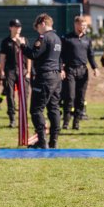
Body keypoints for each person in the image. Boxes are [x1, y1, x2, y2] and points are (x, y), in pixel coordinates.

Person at [17, 13, 63, 149]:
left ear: (42, 23)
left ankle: (42, 141)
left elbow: (34, 54)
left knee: (36, 110)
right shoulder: (57, 38)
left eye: (37, 27)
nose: (37, 31)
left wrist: (23, 46)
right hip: (56, 76)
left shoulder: (44, 37)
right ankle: (53, 141)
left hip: (44, 77)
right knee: (54, 108)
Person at [61, 16, 99, 130]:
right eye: (82, 25)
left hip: (83, 71)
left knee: (80, 98)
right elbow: (61, 55)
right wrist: (61, 69)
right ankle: (66, 122)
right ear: (76, 25)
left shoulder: (87, 39)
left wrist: (95, 68)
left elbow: (91, 55)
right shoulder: (67, 38)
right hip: (70, 70)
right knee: (69, 97)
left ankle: (76, 122)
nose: (84, 27)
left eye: (85, 26)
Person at [0, 19, 31, 127]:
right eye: (15, 26)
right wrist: (1, 71)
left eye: (19, 27)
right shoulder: (6, 41)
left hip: (23, 70)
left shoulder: (24, 40)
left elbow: (29, 57)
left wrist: (29, 71)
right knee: (10, 95)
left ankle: (23, 118)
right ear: (10, 28)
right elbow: (2, 57)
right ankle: (12, 119)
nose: (18, 29)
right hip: (10, 70)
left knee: (24, 95)